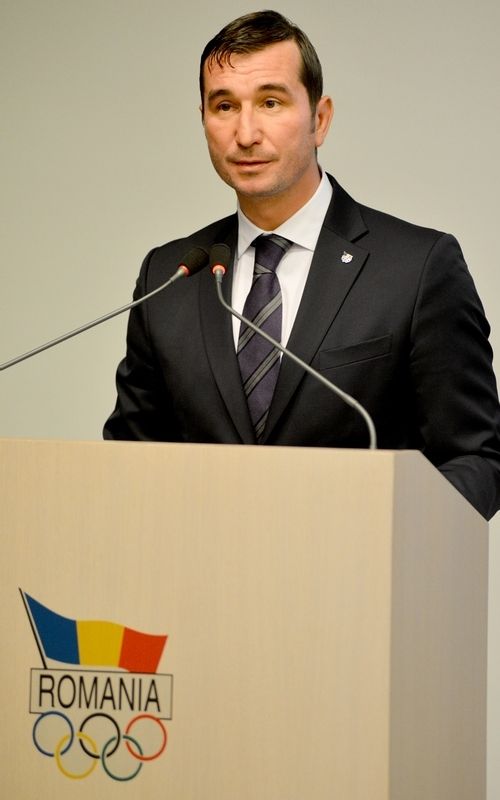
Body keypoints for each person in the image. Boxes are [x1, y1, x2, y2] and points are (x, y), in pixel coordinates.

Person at [104, 10, 500, 520]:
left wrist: (393, 537)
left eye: (271, 102)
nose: (246, 133)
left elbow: (475, 457)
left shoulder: (418, 268)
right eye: (224, 106)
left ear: (320, 118)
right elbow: (128, 461)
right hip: (202, 567)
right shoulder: (170, 275)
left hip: (362, 564)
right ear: (203, 120)